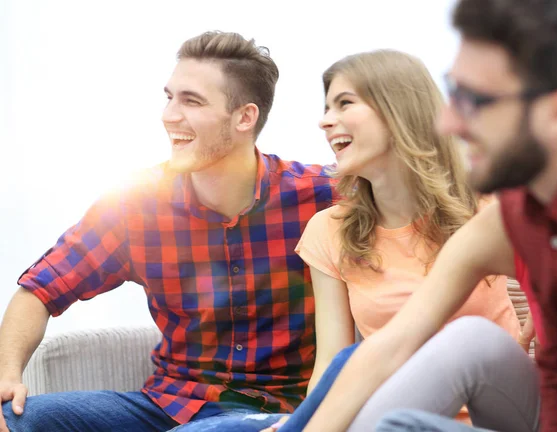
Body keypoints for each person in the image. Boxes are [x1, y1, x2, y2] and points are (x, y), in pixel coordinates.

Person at [0, 31, 336, 432]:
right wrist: (6, 376)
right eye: (169, 97)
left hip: (280, 414)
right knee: (17, 421)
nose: (169, 115)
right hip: (169, 407)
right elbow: (39, 289)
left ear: (245, 117)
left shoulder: (322, 197)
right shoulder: (136, 204)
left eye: (191, 101)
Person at [294, 0, 557, 431]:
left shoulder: (489, 209)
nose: (448, 123)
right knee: (450, 356)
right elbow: (396, 341)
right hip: (522, 410)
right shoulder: (507, 223)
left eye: (473, 99)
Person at [261, 49, 524, 432]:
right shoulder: (330, 230)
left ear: (398, 110)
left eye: (344, 103)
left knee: (461, 342)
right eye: (326, 107)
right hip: (390, 417)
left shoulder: (488, 209)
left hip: (491, 415)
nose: (324, 121)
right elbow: (332, 359)